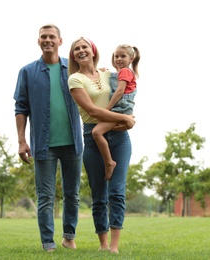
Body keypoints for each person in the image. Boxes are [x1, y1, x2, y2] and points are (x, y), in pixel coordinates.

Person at [13, 24, 83, 252]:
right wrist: (22, 140)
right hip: (43, 145)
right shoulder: (27, 72)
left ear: (60, 41)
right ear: (38, 41)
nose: (48, 40)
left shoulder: (74, 70)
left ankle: (69, 236)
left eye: (52, 36)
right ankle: (48, 242)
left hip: (73, 142)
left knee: (72, 194)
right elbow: (21, 107)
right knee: (45, 196)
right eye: (43, 37)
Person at [67, 37, 135, 254]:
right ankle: (103, 244)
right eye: (76, 49)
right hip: (93, 136)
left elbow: (128, 90)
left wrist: (126, 118)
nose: (81, 51)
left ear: (93, 50)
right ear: (73, 54)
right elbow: (93, 111)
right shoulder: (74, 80)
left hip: (119, 137)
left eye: (84, 47)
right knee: (99, 195)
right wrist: (123, 119)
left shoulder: (108, 73)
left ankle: (114, 246)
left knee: (117, 192)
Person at [92, 44, 140, 180]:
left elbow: (119, 91)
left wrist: (106, 110)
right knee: (100, 132)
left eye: (123, 56)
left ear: (131, 58)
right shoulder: (119, 73)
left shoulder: (125, 71)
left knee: (96, 132)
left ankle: (109, 162)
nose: (119, 59)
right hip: (121, 109)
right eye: (116, 56)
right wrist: (102, 72)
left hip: (120, 108)